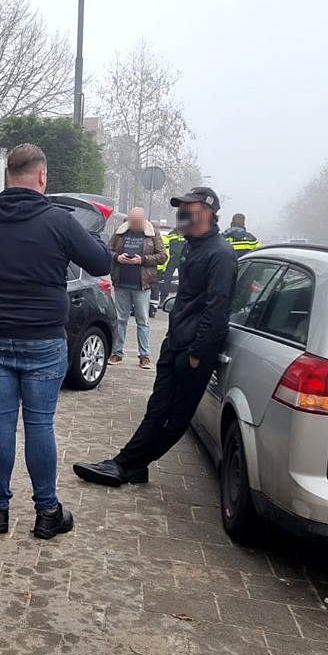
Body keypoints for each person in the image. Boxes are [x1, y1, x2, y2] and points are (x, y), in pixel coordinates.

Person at [0, 144, 111, 538]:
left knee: (0, 420)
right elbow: (101, 263)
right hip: (43, 338)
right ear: (42, 176)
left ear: (7, 175)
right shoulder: (59, 221)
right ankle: (47, 513)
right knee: (39, 424)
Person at [73, 186, 237, 487]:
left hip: (194, 350)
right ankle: (131, 466)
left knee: (176, 416)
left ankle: (125, 465)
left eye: (190, 208)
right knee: (157, 408)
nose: (183, 213)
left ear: (208, 212)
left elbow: (217, 309)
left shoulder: (221, 254)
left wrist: (197, 351)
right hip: (175, 342)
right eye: (181, 208)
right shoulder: (192, 246)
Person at [108, 207, 167, 369]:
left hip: (142, 285)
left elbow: (162, 256)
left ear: (144, 220)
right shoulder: (120, 232)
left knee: (143, 320)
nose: (135, 225)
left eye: (138, 222)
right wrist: (118, 257)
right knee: (120, 320)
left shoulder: (153, 234)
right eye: (132, 221)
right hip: (121, 283)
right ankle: (117, 352)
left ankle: (144, 355)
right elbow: (107, 249)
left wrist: (142, 259)